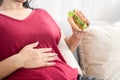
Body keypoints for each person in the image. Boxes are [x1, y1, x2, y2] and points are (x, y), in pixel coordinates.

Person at [0, 0, 90, 80]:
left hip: (72, 76)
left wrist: (77, 36)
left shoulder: (42, 13)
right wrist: (20, 60)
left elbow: (63, 48)